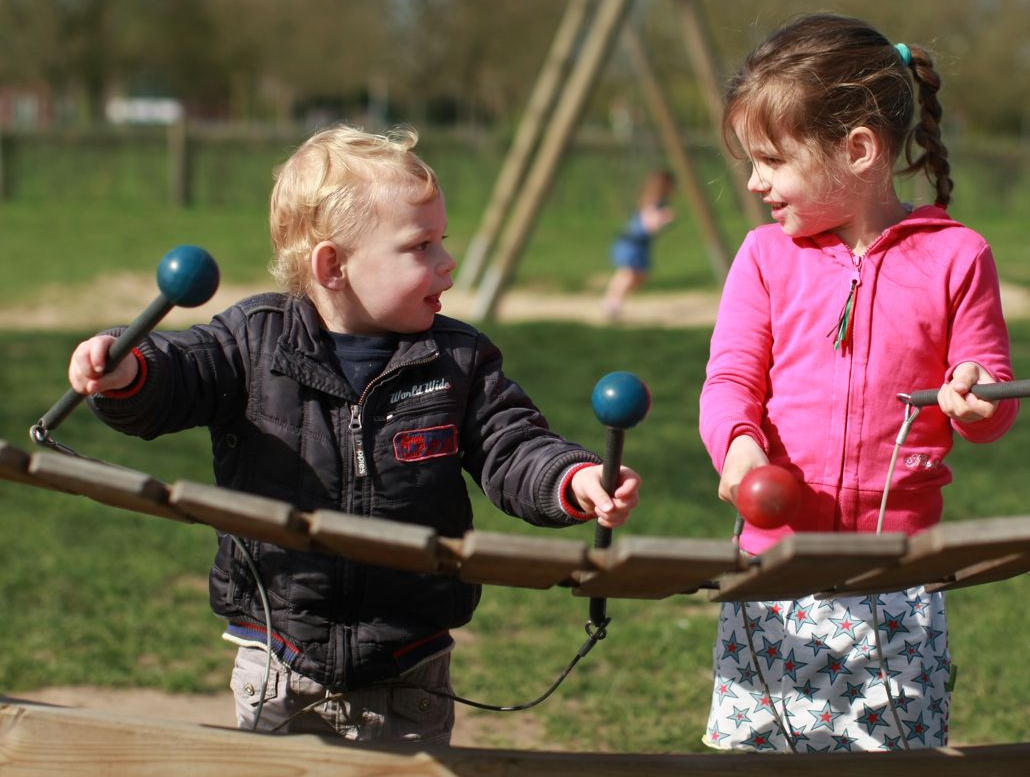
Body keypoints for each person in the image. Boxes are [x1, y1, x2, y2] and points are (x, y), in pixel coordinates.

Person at [66, 124, 641, 745]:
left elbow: (512, 443)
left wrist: (571, 478)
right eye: (421, 245)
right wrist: (127, 369)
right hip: (280, 660)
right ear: (333, 265)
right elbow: (181, 372)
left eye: (441, 240)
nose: (446, 262)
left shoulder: (457, 360)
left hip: (411, 665)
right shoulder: (251, 343)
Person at [698, 14, 1019, 753]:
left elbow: (989, 393)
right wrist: (739, 451)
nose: (754, 181)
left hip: (898, 572)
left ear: (859, 150)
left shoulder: (957, 257)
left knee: (894, 758)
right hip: (775, 562)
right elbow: (730, 379)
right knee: (762, 758)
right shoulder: (763, 258)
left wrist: (976, 396)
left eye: (772, 160)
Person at [602, 169, 676, 321]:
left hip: (640, 244)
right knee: (627, 274)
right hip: (631, 243)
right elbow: (650, 226)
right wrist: (665, 218)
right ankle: (611, 303)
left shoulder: (659, 202)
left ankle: (613, 301)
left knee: (640, 277)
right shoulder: (653, 202)